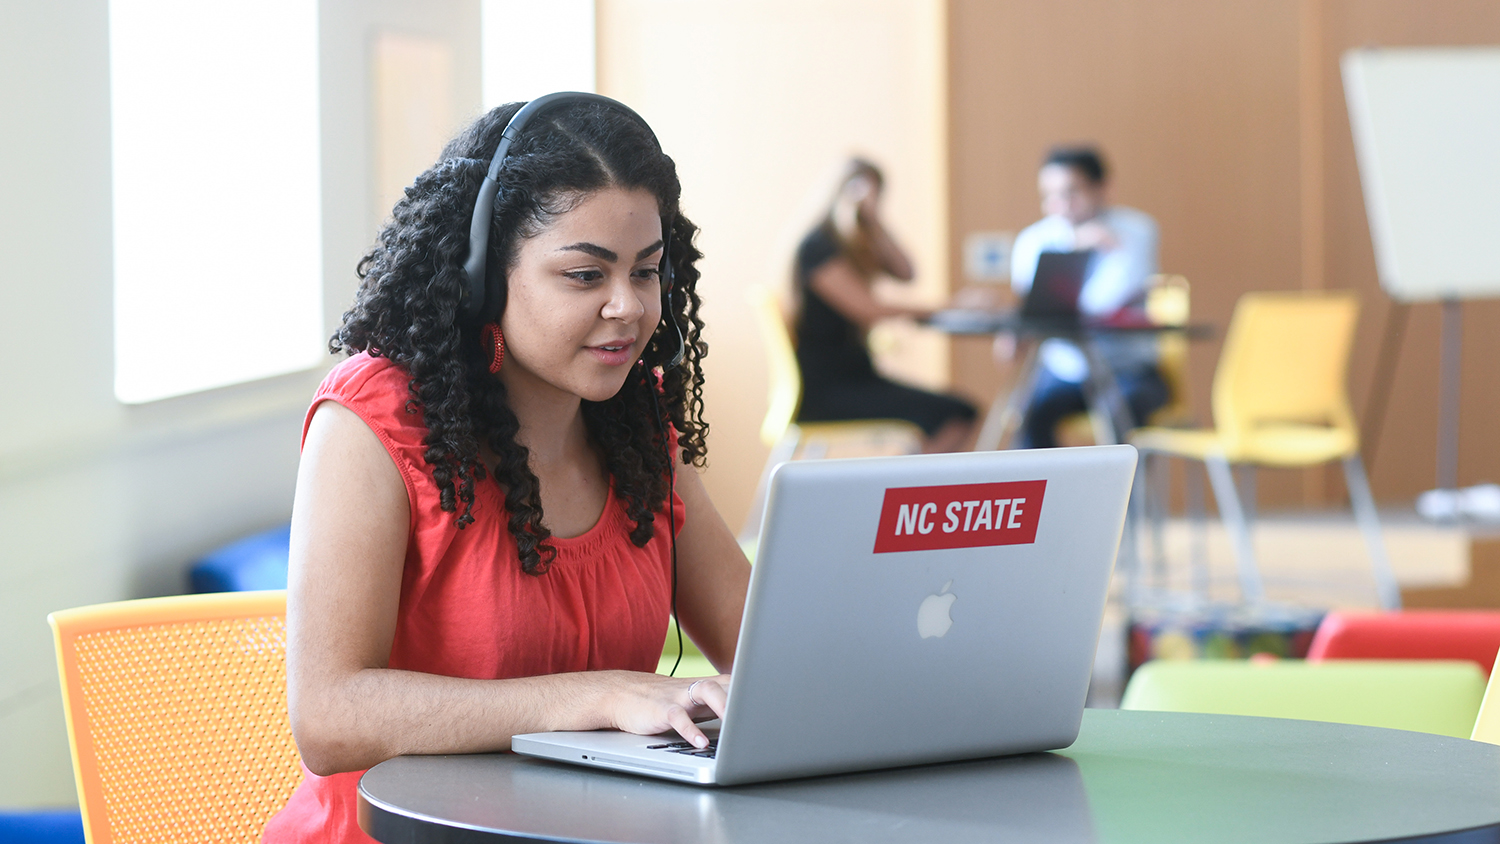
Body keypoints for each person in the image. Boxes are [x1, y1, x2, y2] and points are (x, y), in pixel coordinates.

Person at [263, 97, 751, 843]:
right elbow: (327, 716)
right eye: (586, 276)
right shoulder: (372, 421)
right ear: (487, 276)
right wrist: (593, 696)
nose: (628, 307)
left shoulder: (639, 426)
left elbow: (762, 647)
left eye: (647, 272)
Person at [793, 159, 977, 453]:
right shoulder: (818, 247)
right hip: (828, 389)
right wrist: (950, 306)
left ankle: (901, 486)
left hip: (856, 377)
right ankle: (902, 491)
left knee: (960, 412)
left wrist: (874, 221)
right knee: (956, 415)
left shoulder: (851, 245)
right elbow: (869, 310)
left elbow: (906, 272)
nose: (869, 200)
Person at [1009, 146, 1168, 449]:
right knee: (1027, 416)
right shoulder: (1034, 239)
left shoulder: (1136, 230)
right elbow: (1034, 309)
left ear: (1103, 188)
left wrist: (1072, 251)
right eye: (1050, 195)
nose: (1060, 205)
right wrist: (1075, 245)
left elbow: (1101, 304)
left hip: (1128, 369)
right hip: (1064, 371)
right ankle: (1049, 497)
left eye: (1072, 192)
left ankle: (1121, 498)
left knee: (1119, 416)